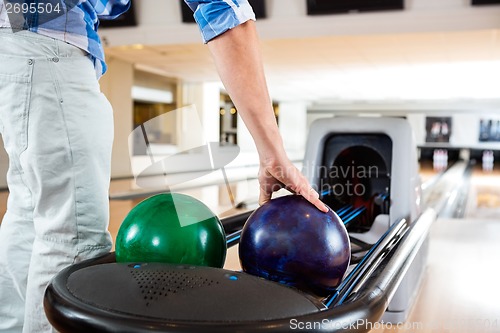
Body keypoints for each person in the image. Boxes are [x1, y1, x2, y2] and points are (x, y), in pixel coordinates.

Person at [0, 0, 327, 332]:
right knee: (72, 237)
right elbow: (226, 15)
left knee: (29, 215)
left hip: (19, 41)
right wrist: (273, 154)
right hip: (48, 48)